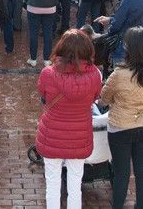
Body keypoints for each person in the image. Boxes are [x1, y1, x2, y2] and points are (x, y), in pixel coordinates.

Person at [36, 29, 102, 209]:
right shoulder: (95, 75)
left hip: (52, 135)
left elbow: (43, 94)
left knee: (52, 184)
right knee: (75, 183)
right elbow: (96, 97)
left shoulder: (48, 73)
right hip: (79, 135)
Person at [99, 27, 143, 209]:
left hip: (121, 127)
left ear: (130, 48)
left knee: (121, 173)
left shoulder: (119, 75)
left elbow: (104, 99)